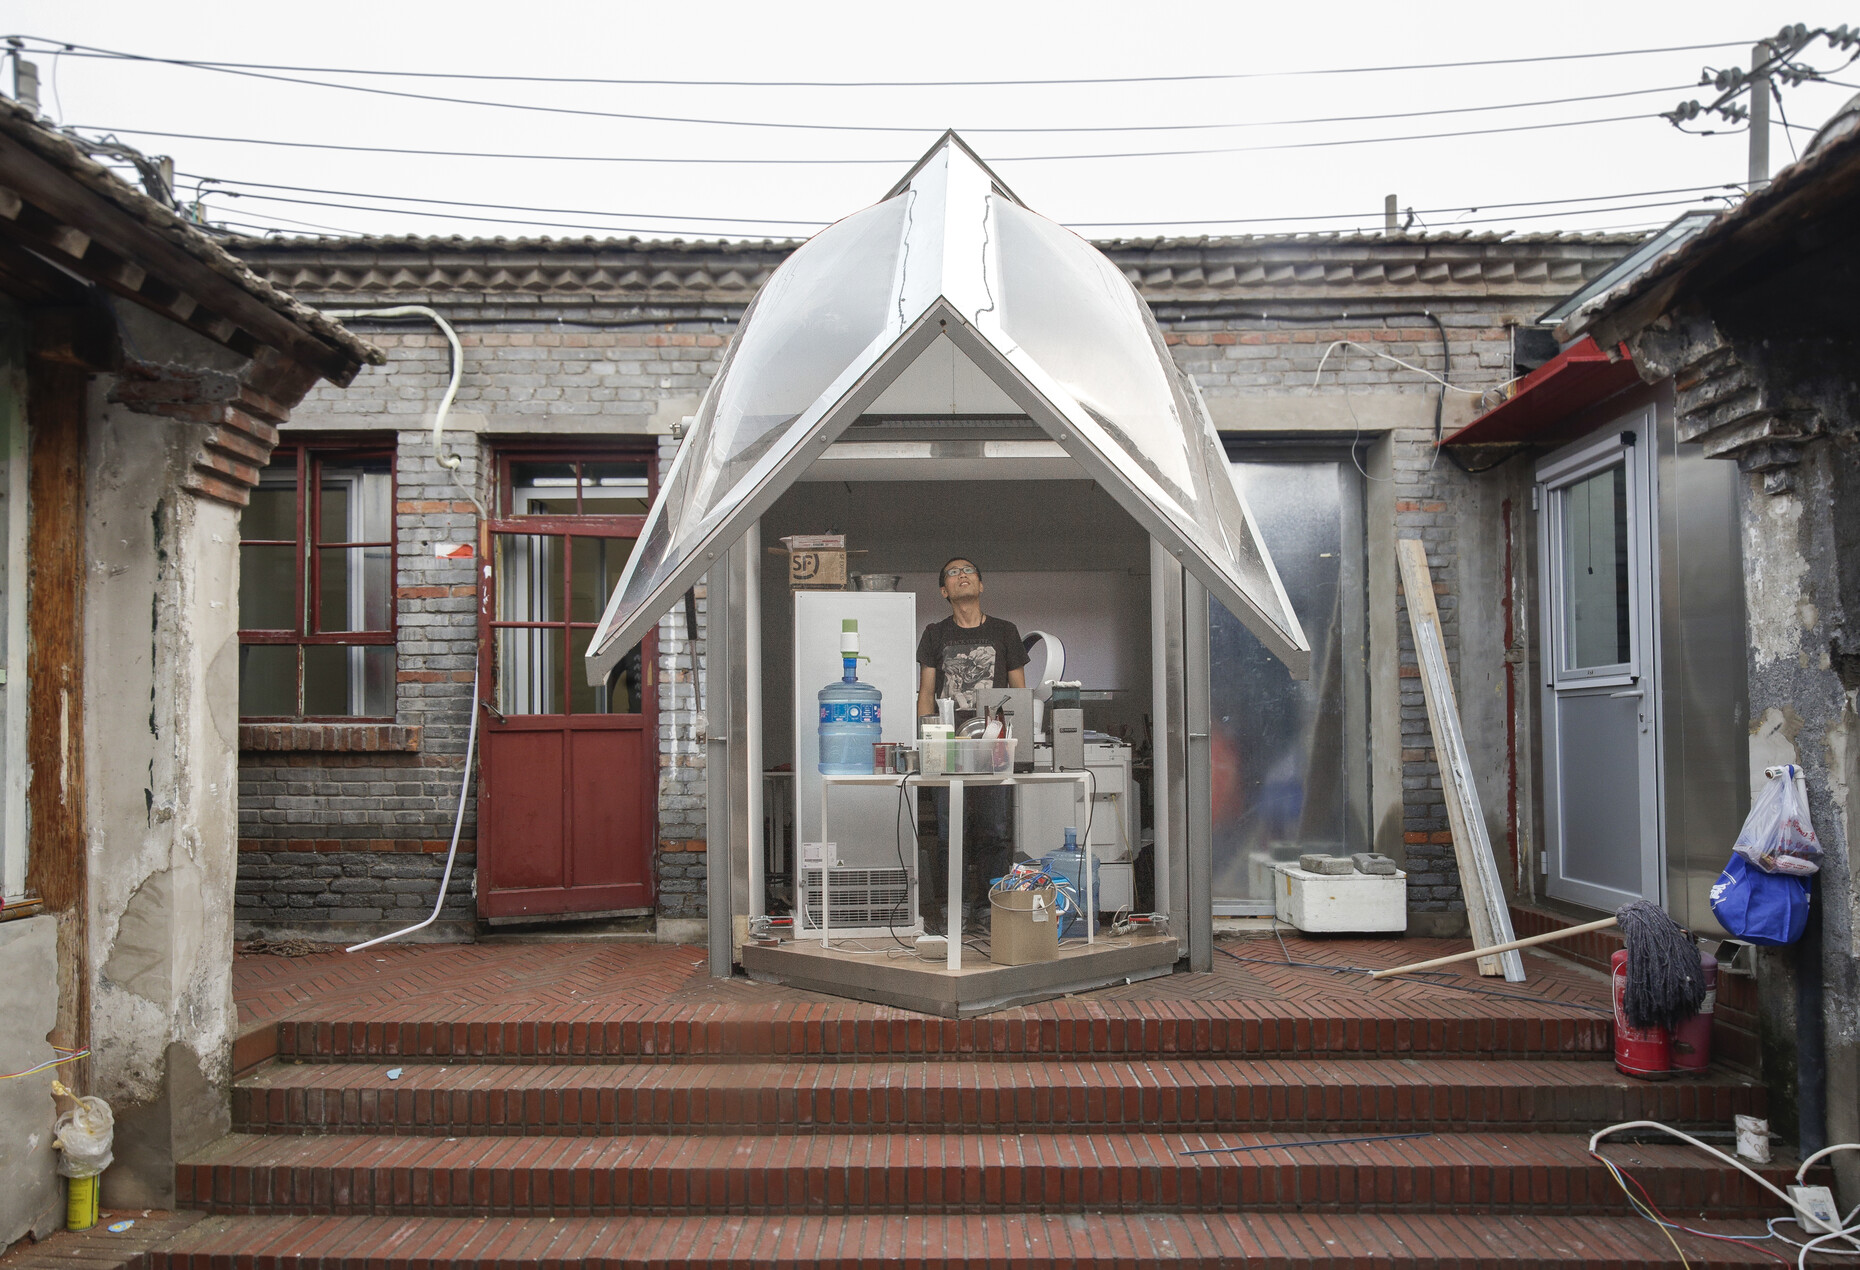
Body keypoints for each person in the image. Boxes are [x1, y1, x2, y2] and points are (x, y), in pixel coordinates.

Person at [915, 557, 1028, 926]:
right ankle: (956, 907)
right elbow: (927, 693)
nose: (961, 575)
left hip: (994, 746)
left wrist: (1017, 743)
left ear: (980, 586)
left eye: (969, 571)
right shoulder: (935, 633)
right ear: (944, 591)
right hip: (948, 747)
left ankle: (990, 905)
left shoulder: (1005, 632)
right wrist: (925, 743)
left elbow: (1019, 691)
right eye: (952, 572)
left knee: (994, 831)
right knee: (951, 832)